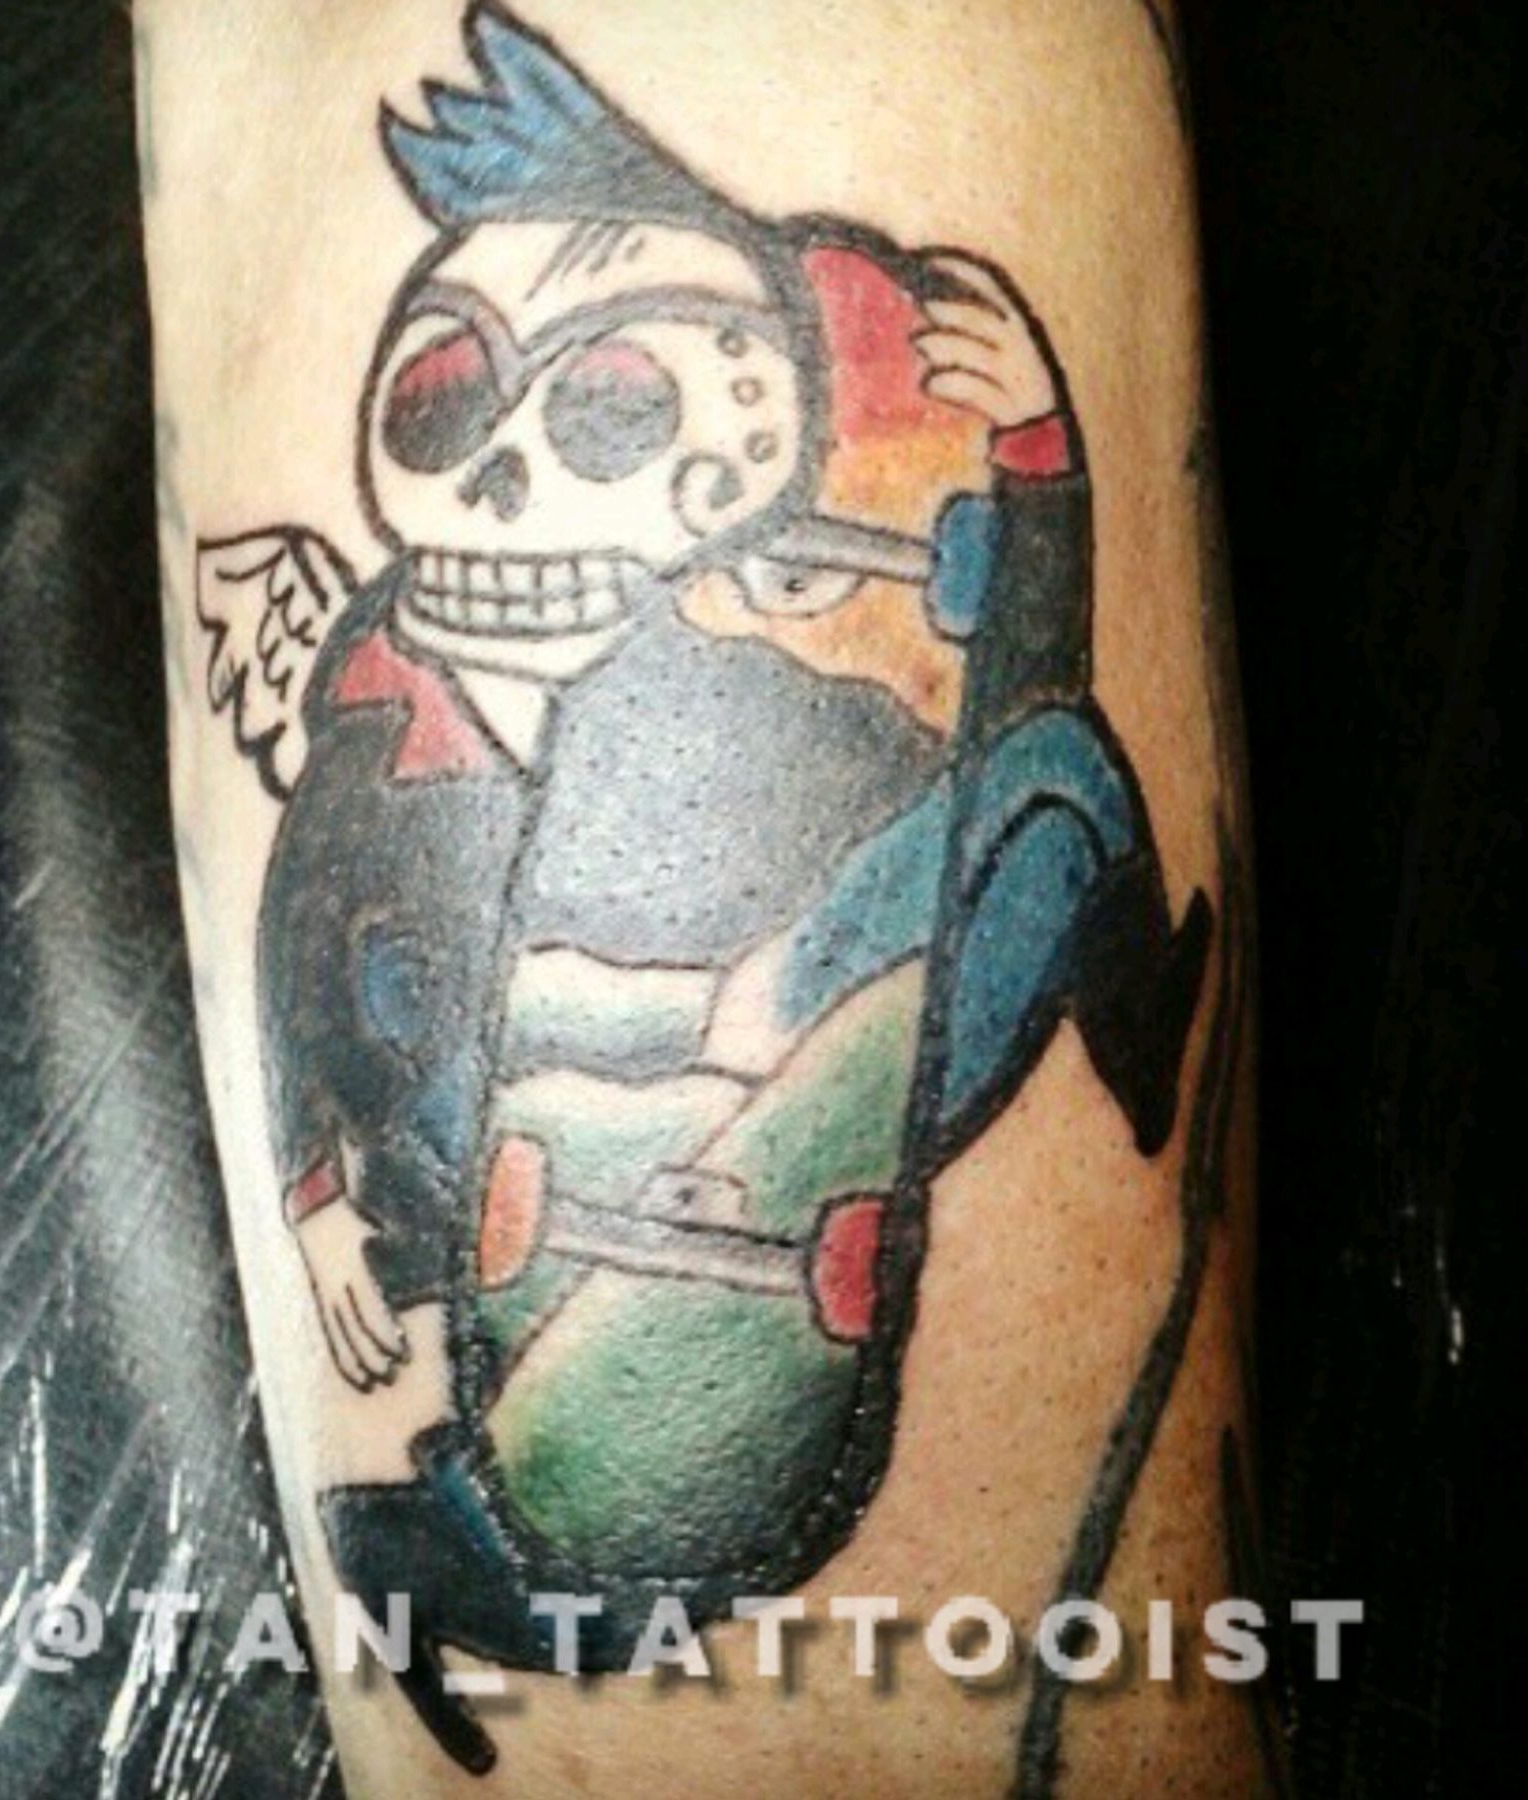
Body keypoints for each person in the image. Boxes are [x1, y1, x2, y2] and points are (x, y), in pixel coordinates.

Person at [140, 1, 1261, 1792]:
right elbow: (308, 957)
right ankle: (460, 1544)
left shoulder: (738, 661)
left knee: (1050, 791)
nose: (506, 471)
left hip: (728, 1162)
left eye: (610, 403)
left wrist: (1036, 459)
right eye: (441, 396)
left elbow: (1015, 713)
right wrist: (323, 1199)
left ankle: (1097, 991)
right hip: (524, 1236)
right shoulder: (395, 714)